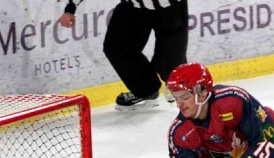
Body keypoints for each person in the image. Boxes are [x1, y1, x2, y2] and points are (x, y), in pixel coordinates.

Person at [58, 1, 188, 110]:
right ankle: (146, 90)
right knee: (117, 47)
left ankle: (176, 83)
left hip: (170, 7)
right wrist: (71, 7)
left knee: (170, 62)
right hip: (133, 6)